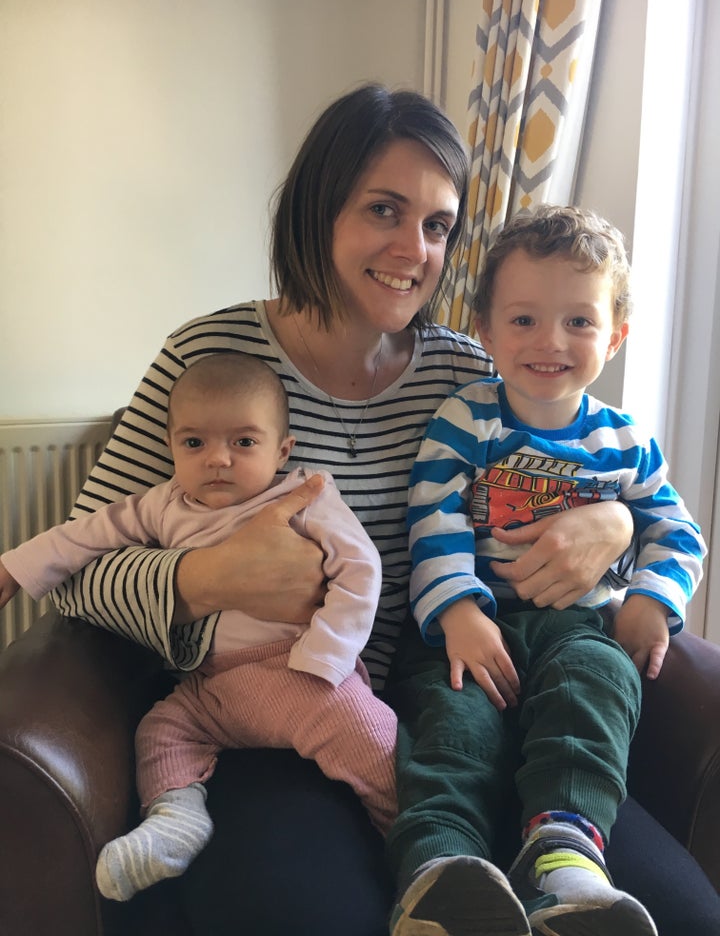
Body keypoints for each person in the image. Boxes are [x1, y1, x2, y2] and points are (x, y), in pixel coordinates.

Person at [39, 85, 719, 935]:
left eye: (438, 226)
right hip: (275, 718)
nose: (414, 249)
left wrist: (614, 527)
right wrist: (203, 577)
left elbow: (571, 511)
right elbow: (77, 575)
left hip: (460, 704)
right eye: (384, 211)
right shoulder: (210, 356)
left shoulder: (471, 374)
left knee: (684, 914)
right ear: (319, 210)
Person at [388, 205, 707, 936]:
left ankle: (564, 860)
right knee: (451, 726)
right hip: (468, 634)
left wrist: (652, 601)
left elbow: (678, 531)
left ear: (615, 335)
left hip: (578, 631)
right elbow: (432, 519)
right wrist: (459, 614)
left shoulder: (626, 441)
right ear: (488, 330)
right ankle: (438, 873)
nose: (550, 343)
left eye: (579, 322)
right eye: (525, 320)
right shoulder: (466, 419)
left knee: (592, 693)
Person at [0, 351, 397, 900]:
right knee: (160, 732)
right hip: (213, 689)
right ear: (170, 447)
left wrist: (327, 656)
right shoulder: (163, 504)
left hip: (302, 675)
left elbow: (361, 569)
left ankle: (415, 847)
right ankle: (175, 822)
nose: (218, 460)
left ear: (283, 450)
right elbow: (86, 535)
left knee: (374, 741)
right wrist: (16, 565)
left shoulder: (304, 495)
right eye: (195, 443)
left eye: (243, 442)